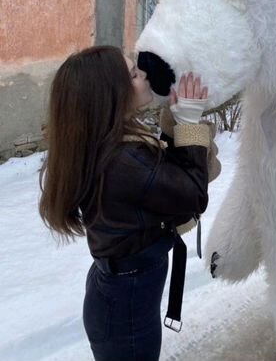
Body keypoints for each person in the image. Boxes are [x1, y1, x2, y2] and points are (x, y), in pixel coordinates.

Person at [38, 45, 220, 361]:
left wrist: (177, 127)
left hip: (121, 296)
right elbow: (192, 195)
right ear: (112, 96)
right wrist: (189, 123)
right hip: (126, 309)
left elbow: (166, 183)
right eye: (134, 74)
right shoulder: (124, 162)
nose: (144, 75)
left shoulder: (109, 145)